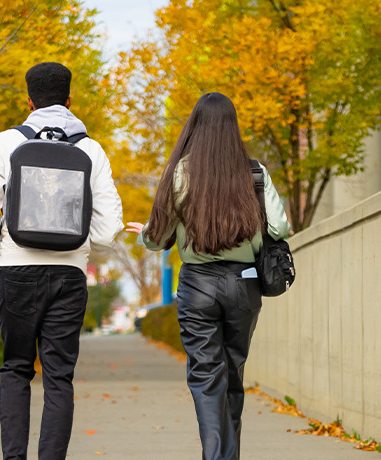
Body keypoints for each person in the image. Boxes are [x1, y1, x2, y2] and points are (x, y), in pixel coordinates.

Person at [0, 62, 123, 460]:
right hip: (70, 275)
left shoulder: (5, 143)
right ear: (70, 100)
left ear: (29, 101)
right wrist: (81, 247)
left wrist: (8, 231)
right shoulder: (91, 149)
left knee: (15, 367)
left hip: (16, 271)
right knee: (59, 377)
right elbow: (107, 231)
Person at [125, 92, 291, 460]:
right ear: (233, 127)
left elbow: (156, 239)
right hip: (244, 283)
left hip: (197, 284)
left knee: (206, 377)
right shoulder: (254, 172)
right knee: (232, 375)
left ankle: (216, 456)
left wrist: (144, 232)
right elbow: (280, 226)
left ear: (195, 127)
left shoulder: (180, 173)